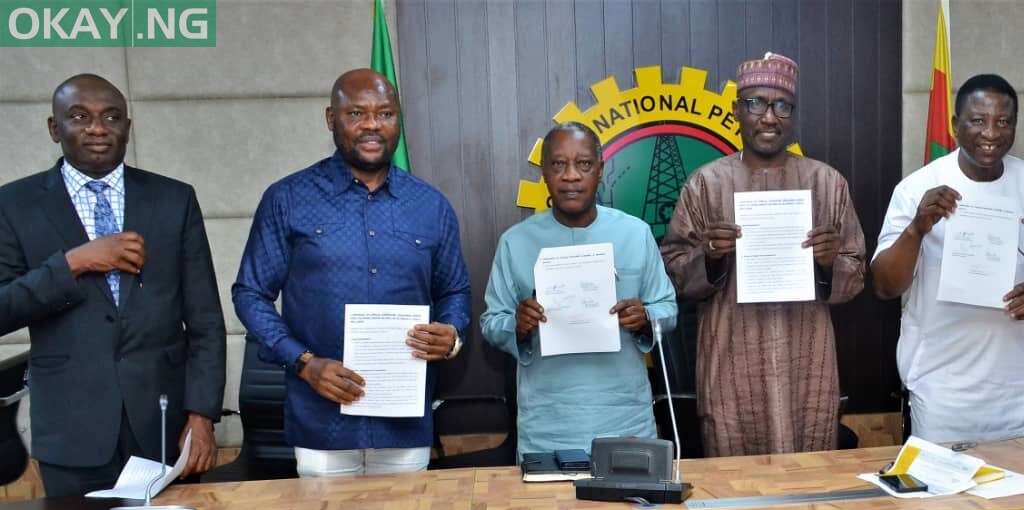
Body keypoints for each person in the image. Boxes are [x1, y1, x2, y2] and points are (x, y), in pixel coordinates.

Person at [233, 69, 470, 478]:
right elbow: (250, 293)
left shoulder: (431, 205)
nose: (372, 125)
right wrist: (305, 363)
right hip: (322, 423)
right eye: (356, 113)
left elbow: (455, 292)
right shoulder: (288, 199)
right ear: (331, 119)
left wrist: (451, 333)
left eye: (385, 113)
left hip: (405, 425)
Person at [0, 74, 226, 496]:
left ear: (127, 126)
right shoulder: (14, 204)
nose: (97, 128)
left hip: (164, 428)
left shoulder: (173, 199)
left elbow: (206, 322)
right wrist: (71, 264)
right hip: (72, 431)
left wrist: (202, 416)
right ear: (54, 128)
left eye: (111, 117)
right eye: (79, 117)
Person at [661, 53, 865, 457]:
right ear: (737, 110)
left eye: (781, 106)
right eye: (756, 103)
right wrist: (712, 256)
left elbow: (856, 271)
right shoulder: (706, 184)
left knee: (810, 486)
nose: (768, 117)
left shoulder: (827, 183)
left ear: (793, 114)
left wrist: (828, 263)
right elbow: (674, 271)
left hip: (807, 363)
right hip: (730, 364)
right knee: (735, 489)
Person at [871, 74, 1024, 443]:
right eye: (978, 121)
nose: (991, 133)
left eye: (1003, 122)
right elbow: (886, 286)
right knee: (942, 499)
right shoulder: (917, 188)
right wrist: (917, 229)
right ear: (955, 126)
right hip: (942, 391)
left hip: (1023, 390)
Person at [480, 122, 677, 456]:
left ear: (600, 170)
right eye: (558, 165)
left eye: (583, 165)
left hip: (624, 417)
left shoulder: (635, 233)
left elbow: (667, 309)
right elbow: (491, 322)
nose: (571, 176)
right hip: (549, 424)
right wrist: (517, 325)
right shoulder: (516, 242)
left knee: (627, 509)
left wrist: (644, 317)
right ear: (544, 172)